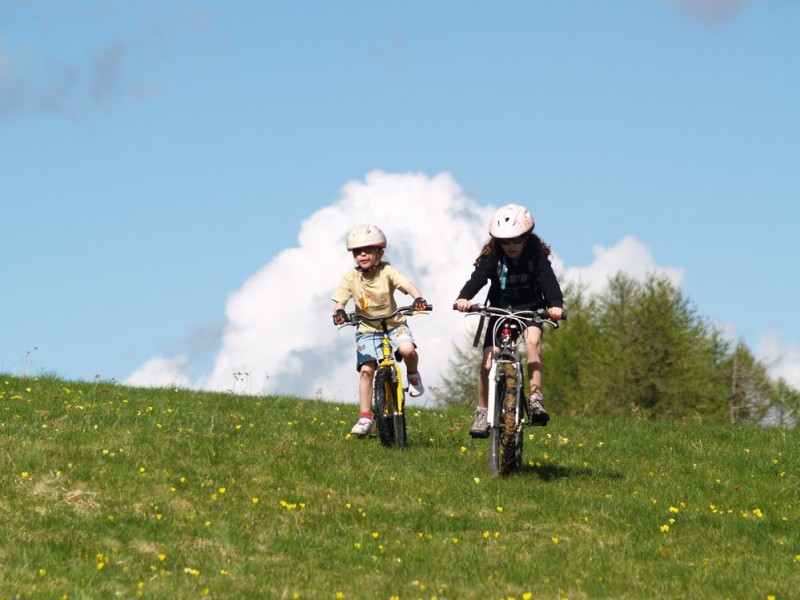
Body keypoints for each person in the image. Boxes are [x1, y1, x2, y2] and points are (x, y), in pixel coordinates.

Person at [454, 204, 564, 437]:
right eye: (505, 242)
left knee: (533, 343)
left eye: (516, 241)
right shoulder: (494, 257)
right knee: (487, 362)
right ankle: (482, 411)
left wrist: (555, 305)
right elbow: (479, 278)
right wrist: (464, 297)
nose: (511, 246)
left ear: (526, 237)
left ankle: (535, 398)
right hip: (499, 311)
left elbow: (549, 281)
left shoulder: (536, 256)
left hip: (530, 311)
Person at [332, 224, 429, 438]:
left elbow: (407, 285)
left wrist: (418, 298)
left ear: (380, 252)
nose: (363, 255)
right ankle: (365, 416)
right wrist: (339, 311)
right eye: (358, 252)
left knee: (407, 350)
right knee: (367, 370)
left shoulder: (387, 272)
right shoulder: (351, 278)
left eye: (368, 250)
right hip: (367, 329)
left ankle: (413, 375)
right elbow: (340, 300)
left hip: (394, 325)